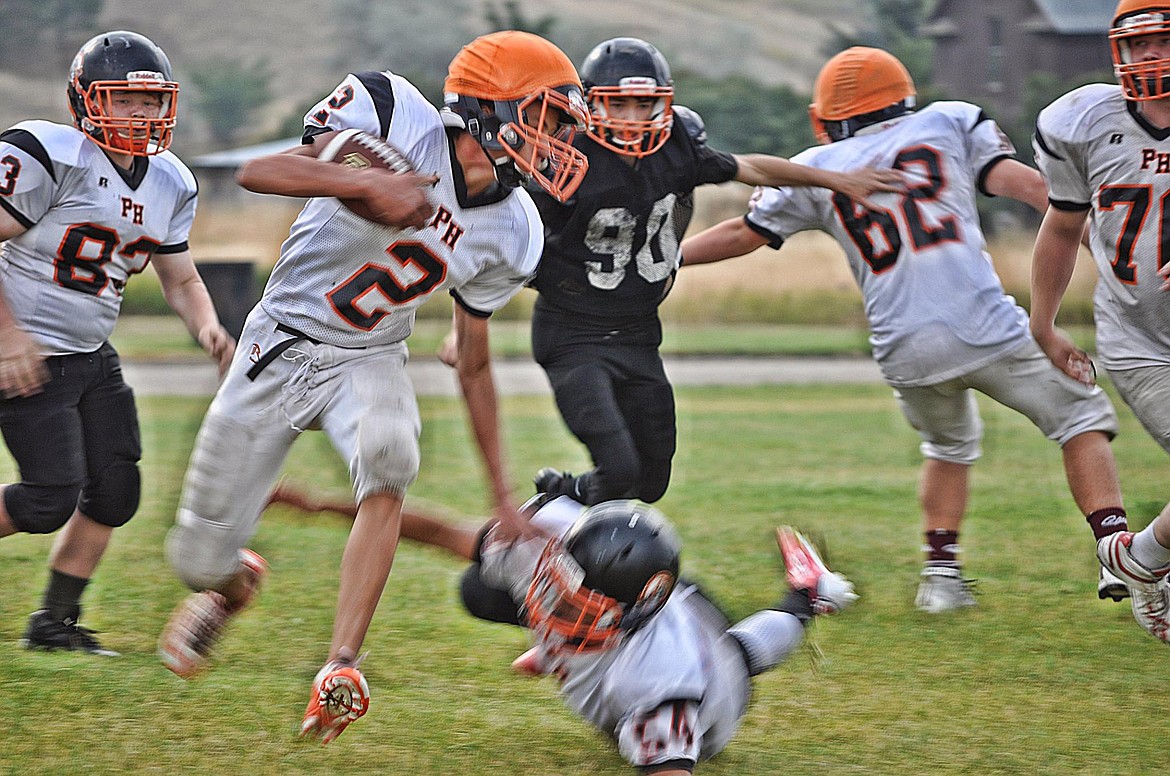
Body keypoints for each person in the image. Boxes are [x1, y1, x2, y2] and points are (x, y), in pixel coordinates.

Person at [156, 30, 592, 744]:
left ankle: (341, 665)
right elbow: (261, 172)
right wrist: (361, 182)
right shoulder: (394, 115)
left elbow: (474, 360)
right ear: (488, 108)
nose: (561, 140)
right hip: (281, 344)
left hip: (369, 353)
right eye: (549, 118)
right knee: (194, 558)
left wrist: (503, 496)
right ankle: (235, 585)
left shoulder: (515, 228)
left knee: (389, 457)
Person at [680, 46, 1131, 613]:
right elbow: (1040, 191)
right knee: (1081, 418)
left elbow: (742, 234)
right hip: (983, 325)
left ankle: (941, 579)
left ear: (830, 117)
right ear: (903, 96)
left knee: (947, 444)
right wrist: (1115, 260)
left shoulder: (819, 166)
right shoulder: (949, 121)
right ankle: (1117, 551)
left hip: (902, 346)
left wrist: (666, 260)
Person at [520, 37, 902, 507]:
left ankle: (568, 496)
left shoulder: (677, 149)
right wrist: (471, 321)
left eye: (644, 105)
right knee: (618, 467)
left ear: (665, 104)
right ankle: (559, 524)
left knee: (651, 480)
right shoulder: (568, 162)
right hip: (572, 334)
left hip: (638, 332)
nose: (633, 118)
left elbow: (751, 169)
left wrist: (836, 179)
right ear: (590, 104)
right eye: (618, 103)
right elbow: (514, 245)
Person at [267, 481, 858, 774]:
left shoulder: (661, 692)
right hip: (657, 621)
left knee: (741, 659)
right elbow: (442, 532)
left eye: (576, 609)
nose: (552, 607)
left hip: (713, 691)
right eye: (559, 591)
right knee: (479, 586)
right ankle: (808, 595)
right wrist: (324, 505)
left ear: (627, 618)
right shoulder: (553, 537)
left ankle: (806, 596)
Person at [0, 31, 233, 655]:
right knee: (48, 495)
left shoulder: (169, 181)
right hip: (24, 350)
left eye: (151, 102)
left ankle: (54, 626)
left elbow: (178, 276)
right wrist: (7, 333)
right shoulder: (52, 154)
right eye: (124, 100)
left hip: (88, 352)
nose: (142, 115)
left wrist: (209, 329)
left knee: (114, 490)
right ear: (84, 102)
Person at [1031, 0, 1170, 643]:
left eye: (1162, 42)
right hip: (1141, 336)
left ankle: (1138, 558)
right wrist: (1044, 323)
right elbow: (1062, 226)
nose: (1149, 58)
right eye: (1138, 46)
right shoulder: (1083, 122)